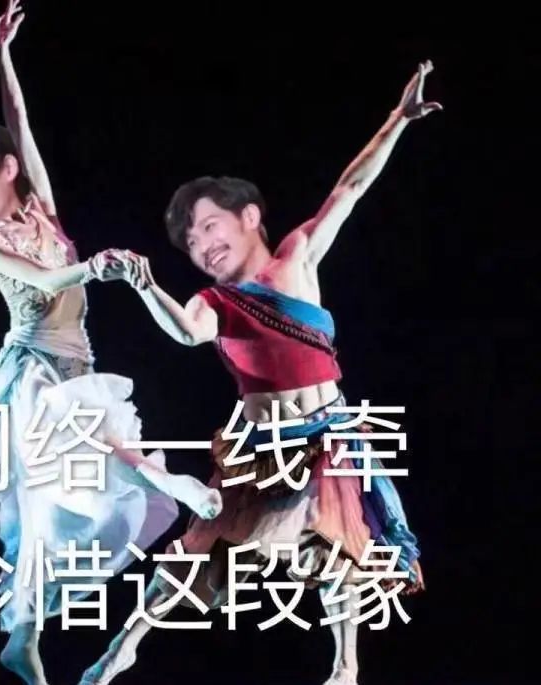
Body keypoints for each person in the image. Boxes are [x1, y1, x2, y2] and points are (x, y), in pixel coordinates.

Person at [79, 60, 440, 685]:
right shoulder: (213, 302)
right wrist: (145, 285)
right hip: (260, 444)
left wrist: (396, 121)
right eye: (191, 244)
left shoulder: (296, 258)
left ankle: (345, 666)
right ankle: (125, 645)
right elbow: (186, 332)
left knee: (336, 540)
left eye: (209, 226)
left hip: (325, 432)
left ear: (249, 216)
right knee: (206, 545)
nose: (202, 245)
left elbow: (350, 189)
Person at [0, 2, 221, 684]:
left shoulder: (42, 208)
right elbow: (45, 278)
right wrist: (94, 267)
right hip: (29, 369)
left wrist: (3, 56)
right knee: (68, 465)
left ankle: (22, 637)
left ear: (5, 169)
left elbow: (20, 122)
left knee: (56, 510)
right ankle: (164, 479)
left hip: (76, 364)